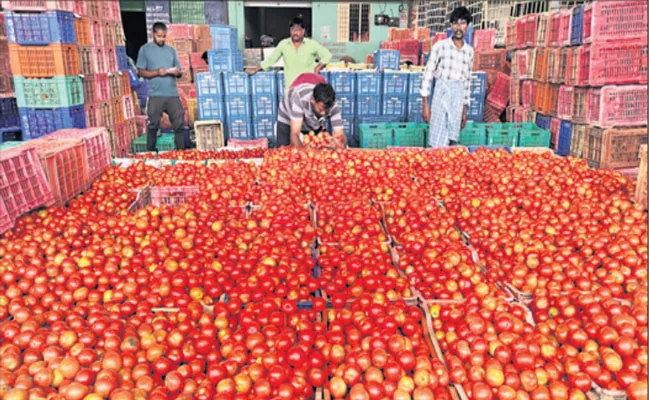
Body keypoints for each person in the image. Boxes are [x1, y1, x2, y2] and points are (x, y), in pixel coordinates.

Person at [421, 7, 474, 147]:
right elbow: (427, 75)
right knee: (437, 136)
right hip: (441, 93)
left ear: (467, 26)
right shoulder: (440, 46)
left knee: (452, 136)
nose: (458, 27)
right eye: (455, 23)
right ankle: (435, 164)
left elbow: (467, 81)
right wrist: (425, 105)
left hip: (458, 97)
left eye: (462, 23)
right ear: (451, 26)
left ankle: (447, 165)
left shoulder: (469, 52)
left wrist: (464, 109)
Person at [136, 22, 186, 151]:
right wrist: (158, 72)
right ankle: (151, 153)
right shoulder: (145, 49)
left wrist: (177, 72)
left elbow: (179, 72)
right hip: (155, 95)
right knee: (153, 126)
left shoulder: (171, 50)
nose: (162, 39)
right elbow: (141, 72)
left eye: (164, 36)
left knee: (179, 125)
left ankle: (181, 154)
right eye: (159, 36)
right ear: (153, 34)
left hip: (172, 95)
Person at [248, 16, 332, 89]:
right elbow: (271, 59)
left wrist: (318, 67)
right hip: (291, 87)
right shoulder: (284, 44)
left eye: (298, 30)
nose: (295, 33)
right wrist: (256, 69)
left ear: (303, 31)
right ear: (290, 30)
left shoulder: (311, 44)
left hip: (308, 86)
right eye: (293, 30)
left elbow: (327, 55)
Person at [277, 72, 347, 149]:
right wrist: (302, 156)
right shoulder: (300, 98)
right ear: (313, 100)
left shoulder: (332, 104)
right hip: (288, 112)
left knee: (317, 146)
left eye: (327, 110)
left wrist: (339, 145)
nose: (324, 113)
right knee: (283, 148)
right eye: (321, 109)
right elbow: (295, 133)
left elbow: (340, 134)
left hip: (312, 116)